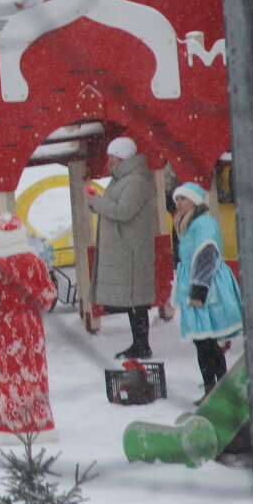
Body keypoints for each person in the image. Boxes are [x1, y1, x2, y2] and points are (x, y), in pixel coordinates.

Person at [0, 214, 58, 444]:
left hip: (5, 329)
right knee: (34, 374)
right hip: (31, 326)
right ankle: (38, 423)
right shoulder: (36, 261)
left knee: (7, 379)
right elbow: (49, 296)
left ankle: (9, 427)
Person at [171, 182, 243, 401]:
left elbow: (207, 255)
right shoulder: (189, 224)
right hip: (196, 284)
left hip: (207, 286)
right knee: (205, 342)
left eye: (183, 198)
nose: (179, 203)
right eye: (177, 199)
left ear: (194, 200)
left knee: (207, 342)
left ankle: (217, 388)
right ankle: (216, 387)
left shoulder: (203, 223)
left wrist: (198, 289)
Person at [86, 136, 156, 359]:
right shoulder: (121, 180)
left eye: (112, 155)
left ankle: (142, 345)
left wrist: (97, 202)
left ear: (123, 156)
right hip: (125, 248)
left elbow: (124, 211)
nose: (109, 160)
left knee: (136, 299)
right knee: (131, 299)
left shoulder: (135, 181)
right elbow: (115, 209)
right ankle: (139, 343)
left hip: (132, 250)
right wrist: (97, 203)